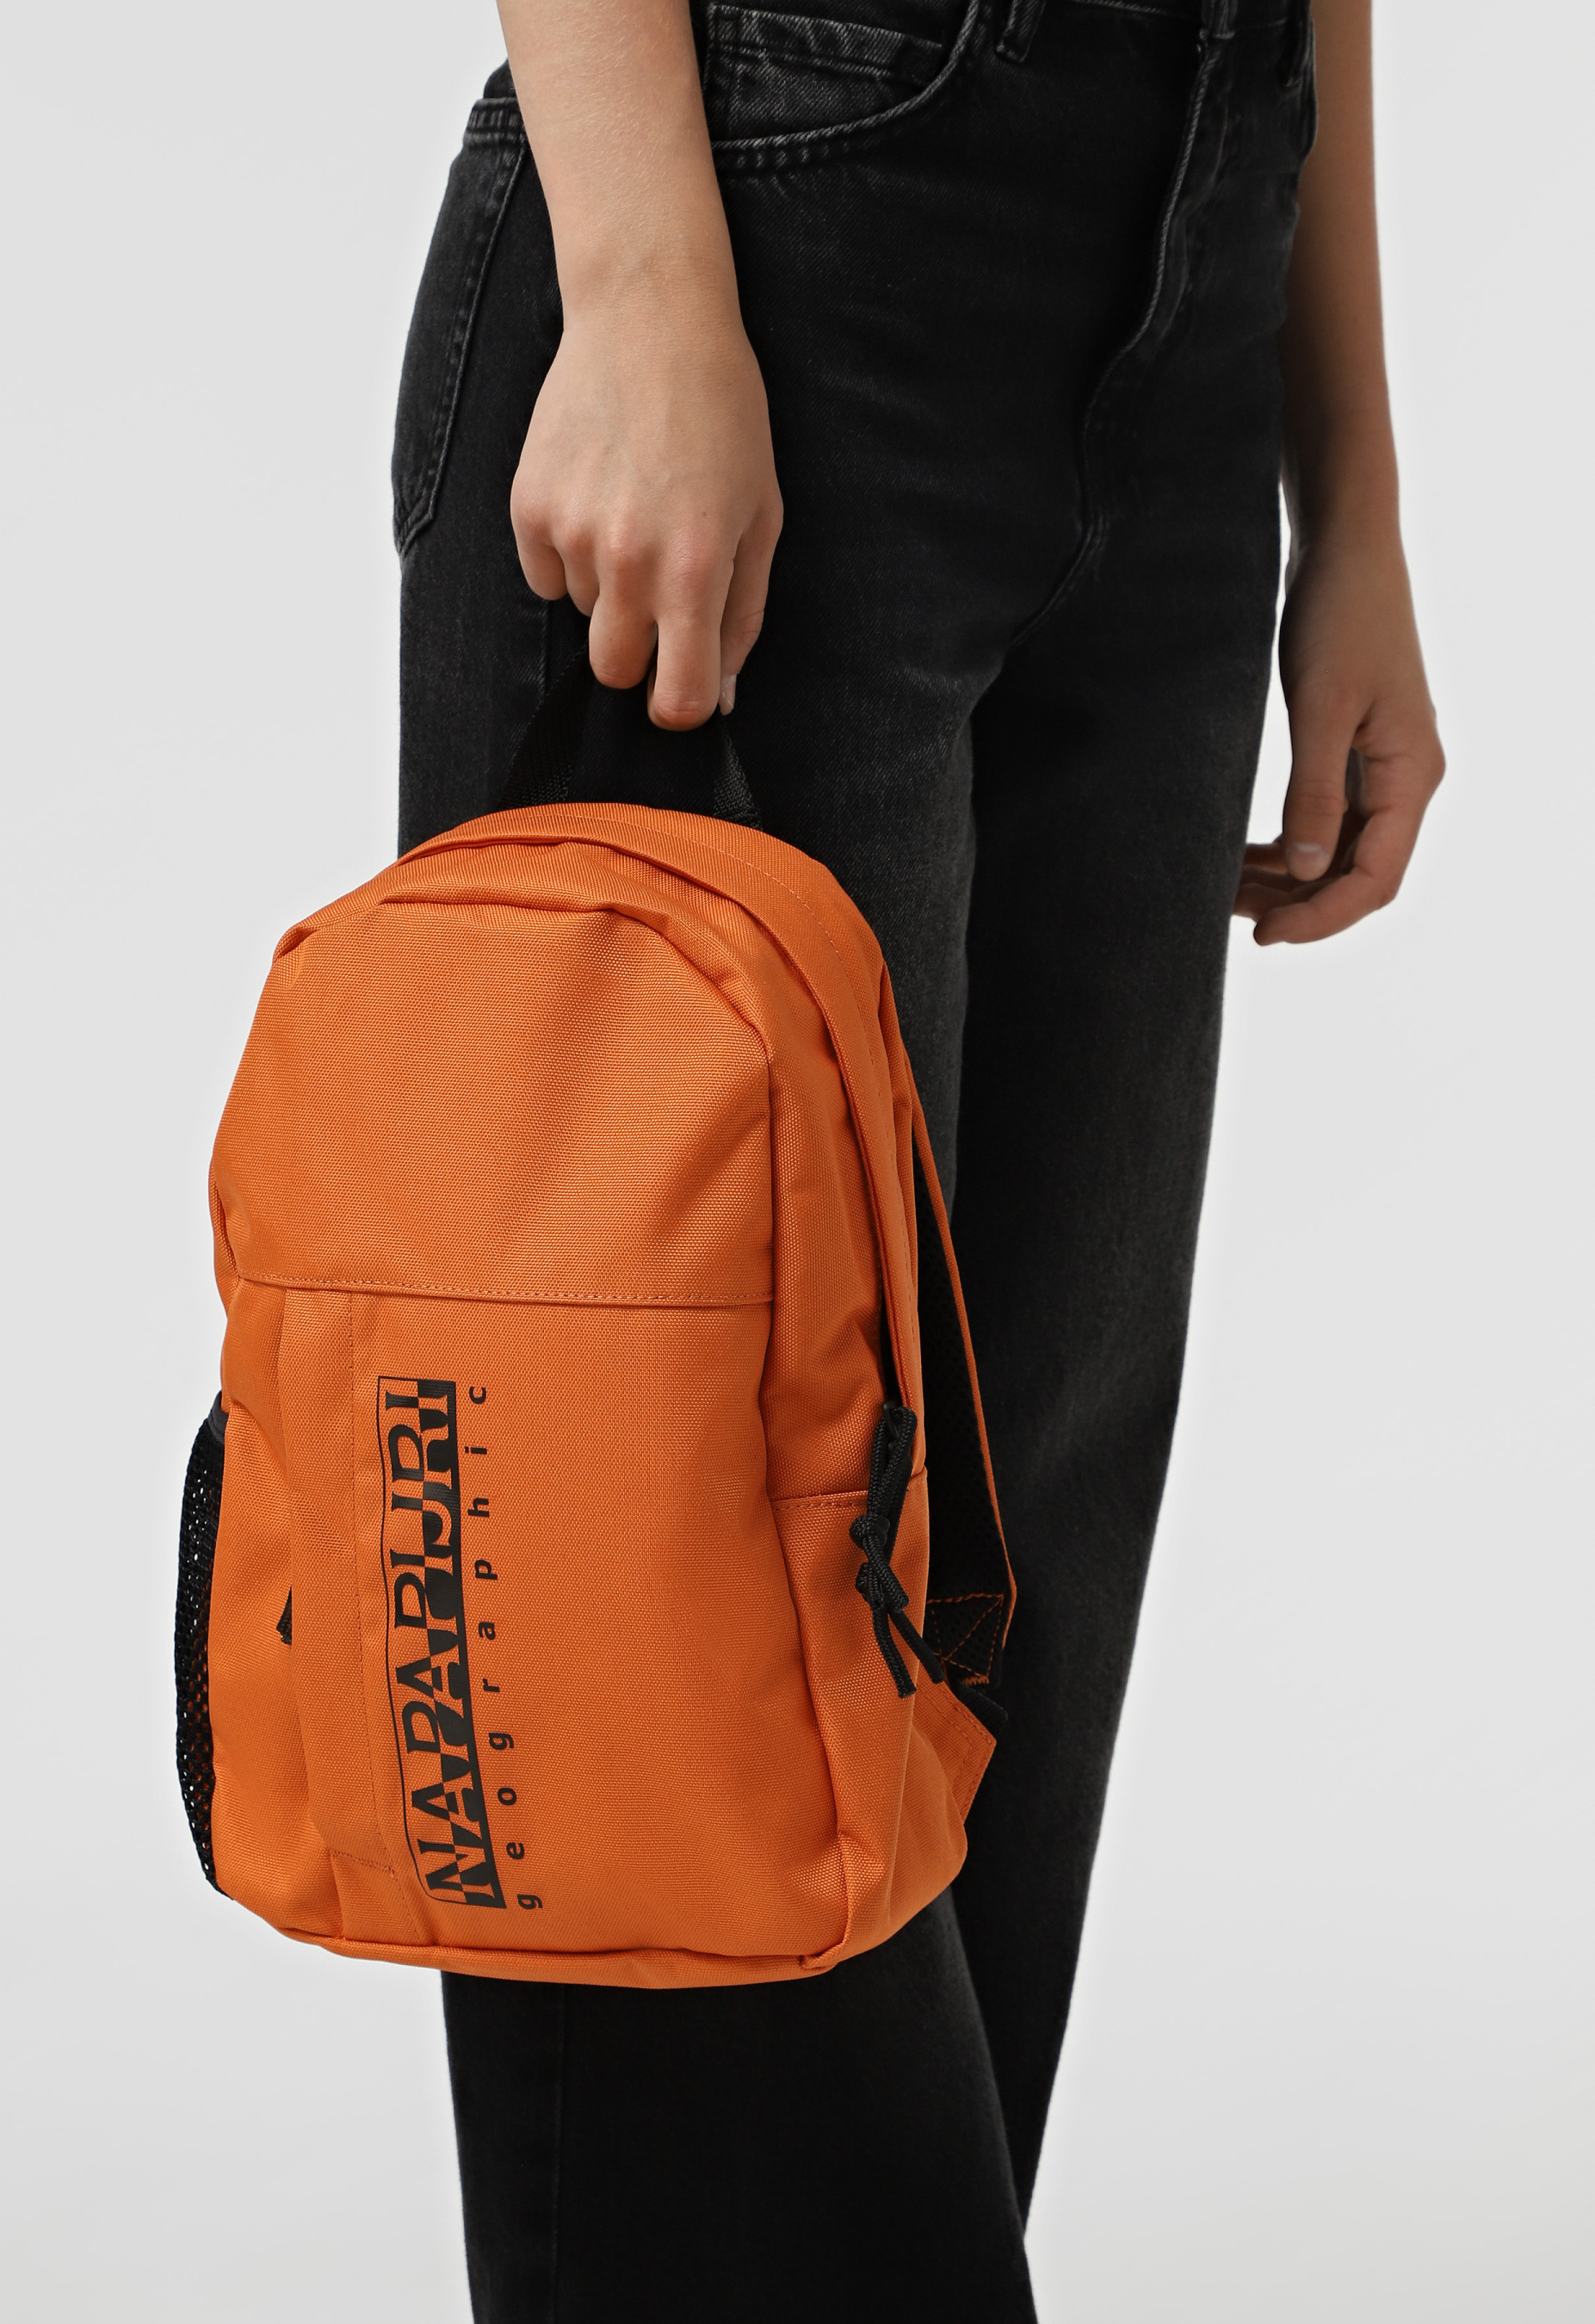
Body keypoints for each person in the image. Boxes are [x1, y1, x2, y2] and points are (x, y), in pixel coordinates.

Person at [392, 0, 1444, 2314]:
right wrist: (642, 278)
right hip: (775, 211)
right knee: (690, 1575)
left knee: (1006, 1562)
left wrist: (1345, 491)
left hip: (1196, 259)